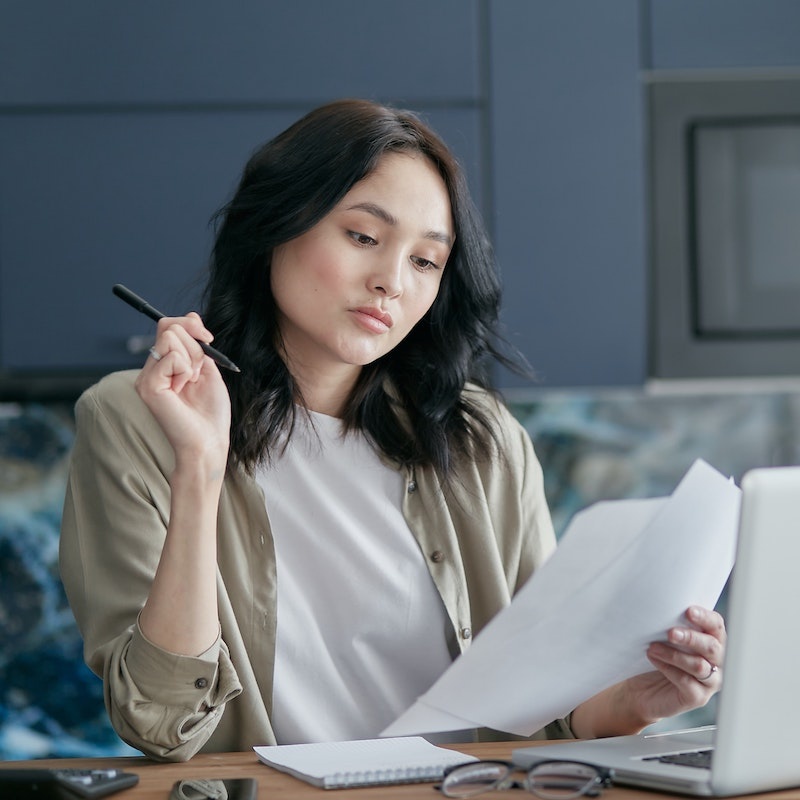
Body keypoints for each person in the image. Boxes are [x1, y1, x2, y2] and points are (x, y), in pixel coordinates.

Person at [59, 99, 725, 762]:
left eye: (426, 261)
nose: (391, 283)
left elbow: (545, 713)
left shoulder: (483, 440)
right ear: (274, 226)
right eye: (363, 237)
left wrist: (633, 703)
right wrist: (200, 469)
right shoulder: (134, 419)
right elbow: (160, 722)